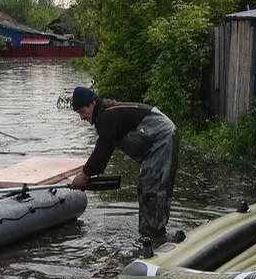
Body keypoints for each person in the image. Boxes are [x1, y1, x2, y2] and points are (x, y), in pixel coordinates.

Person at [68, 85, 177, 250]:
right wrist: (89, 173)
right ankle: (151, 235)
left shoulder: (107, 115)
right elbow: (105, 152)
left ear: (92, 104)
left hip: (163, 138)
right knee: (146, 187)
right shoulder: (105, 114)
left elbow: (102, 150)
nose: (82, 117)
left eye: (82, 111)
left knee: (152, 188)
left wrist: (84, 174)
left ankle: (154, 240)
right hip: (156, 140)